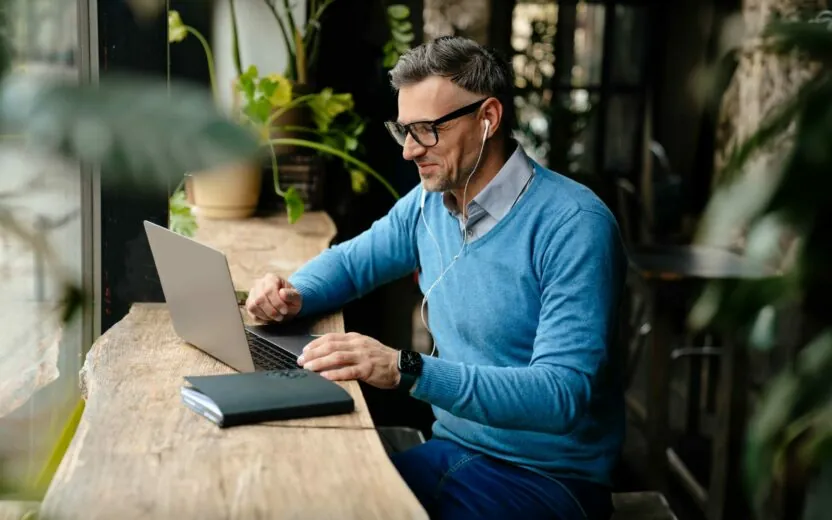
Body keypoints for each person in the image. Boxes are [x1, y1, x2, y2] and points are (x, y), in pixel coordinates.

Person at [246, 36, 626, 520]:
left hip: (550, 480)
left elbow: (560, 396)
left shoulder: (574, 225)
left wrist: (406, 367)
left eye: (426, 130)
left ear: (488, 118)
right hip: (453, 452)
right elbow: (350, 263)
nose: (408, 151)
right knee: (307, 498)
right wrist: (291, 293)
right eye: (404, 130)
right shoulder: (430, 203)